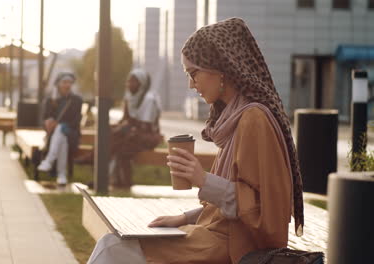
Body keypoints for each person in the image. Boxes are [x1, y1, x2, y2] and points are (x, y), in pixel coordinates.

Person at [87, 17, 304, 264]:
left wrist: (202, 179)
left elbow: (265, 211)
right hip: (213, 236)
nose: (191, 84)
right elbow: (233, 206)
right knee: (113, 243)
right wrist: (185, 218)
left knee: (112, 248)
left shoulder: (254, 120)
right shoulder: (236, 118)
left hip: (233, 249)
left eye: (193, 73)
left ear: (220, 68)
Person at [109, 68, 162, 187]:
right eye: (128, 81)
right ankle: (112, 180)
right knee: (111, 138)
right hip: (133, 135)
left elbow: (146, 126)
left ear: (142, 83)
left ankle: (123, 183)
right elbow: (125, 119)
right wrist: (118, 126)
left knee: (120, 149)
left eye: (133, 81)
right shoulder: (130, 97)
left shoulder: (149, 99)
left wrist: (127, 126)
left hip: (148, 137)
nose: (129, 84)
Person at [38, 72, 83, 187]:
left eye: (69, 82)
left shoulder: (76, 100)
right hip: (55, 137)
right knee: (61, 136)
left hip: (72, 134)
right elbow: (44, 119)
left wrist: (61, 125)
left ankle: (49, 160)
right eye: (64, 82)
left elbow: (76, 121)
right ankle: (62, 174)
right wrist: (47, 123)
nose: (67, 85)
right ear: (58, 84)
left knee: (61, 129)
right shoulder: (51, 100)